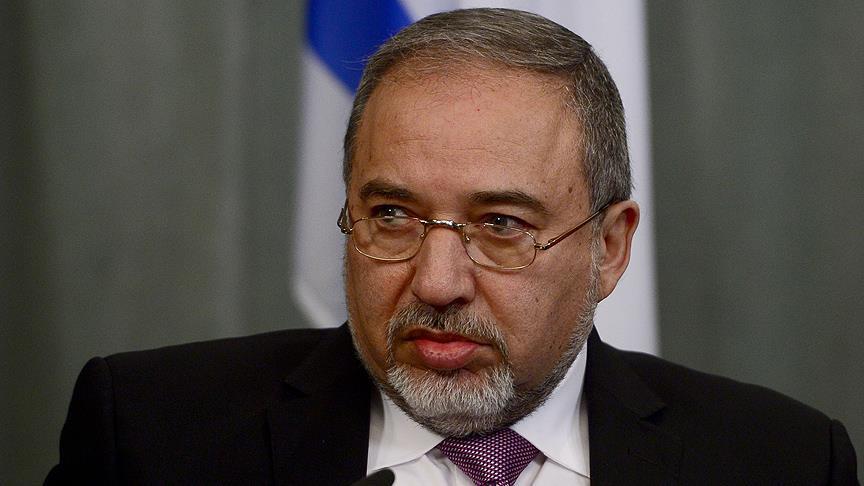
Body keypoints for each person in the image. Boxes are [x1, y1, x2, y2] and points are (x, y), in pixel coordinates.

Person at [46, 8, 858, 485]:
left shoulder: (780, 464)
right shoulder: (150, 439)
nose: (437, 282)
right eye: (393, 215)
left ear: (610, 248)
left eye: (501, 225)